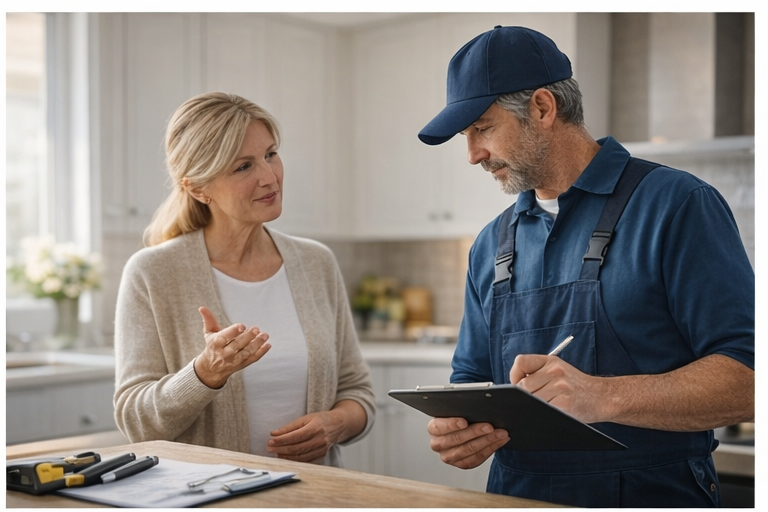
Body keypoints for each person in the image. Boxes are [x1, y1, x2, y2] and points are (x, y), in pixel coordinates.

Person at [417, 26, 754, 507]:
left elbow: (749, 379)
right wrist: (458, 431)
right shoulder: (490, 244)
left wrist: (602, 397)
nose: (473, 155)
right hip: (516, 497)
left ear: (542, 108)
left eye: (482, 129)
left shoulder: (678, 205)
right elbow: (471, 380)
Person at [114, 92, 375, 467]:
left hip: (313, 497)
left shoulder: (316, 263)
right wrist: (206, 372)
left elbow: (358, 392)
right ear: (197, 188)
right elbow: (134, 421)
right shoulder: (152, 273)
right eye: (243, 167)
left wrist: (335, 424)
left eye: (270, 154)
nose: (270, 177)